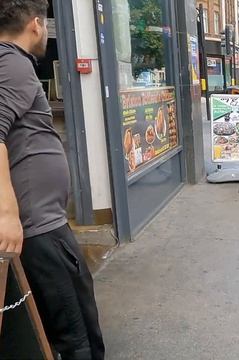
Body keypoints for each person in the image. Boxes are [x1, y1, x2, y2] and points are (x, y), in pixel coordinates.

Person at [0, 1, 105, 359]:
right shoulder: (12, 62)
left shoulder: (11, 63)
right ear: (35, 24)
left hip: (41, 223)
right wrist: (7, 216)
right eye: (45, 23)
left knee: (69, 322)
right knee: (76, 333)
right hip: (38, 228)